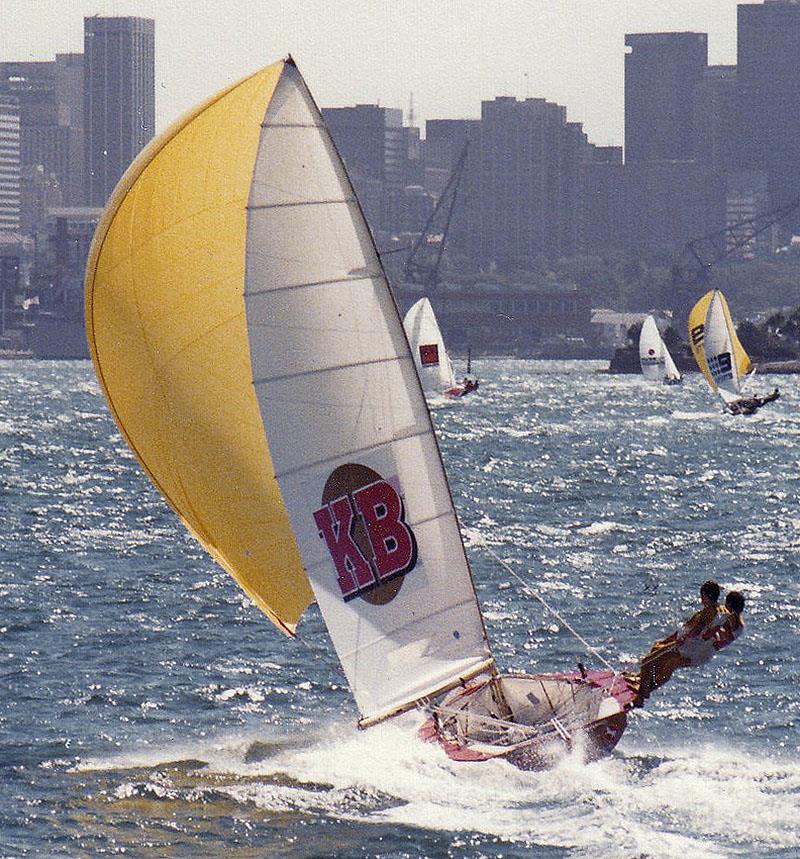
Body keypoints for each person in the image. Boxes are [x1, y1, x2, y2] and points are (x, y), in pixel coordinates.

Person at [625, 580, 721, 707]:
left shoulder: (709, 612)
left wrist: (684, 638)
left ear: (706, 595)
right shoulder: (716, 610)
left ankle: (641, 697)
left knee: (648, 662)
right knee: (657, 648)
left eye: (702, 596)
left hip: (685, 647)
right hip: (687, 645)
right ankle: (642, 682)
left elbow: (697, 630)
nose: (701, 599)